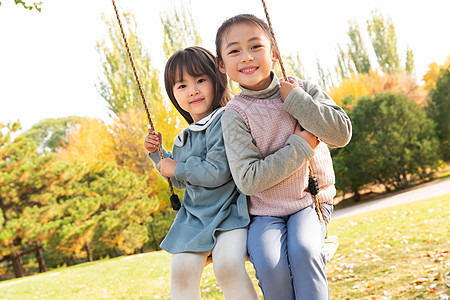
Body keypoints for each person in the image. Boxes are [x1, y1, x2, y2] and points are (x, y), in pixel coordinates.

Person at [215, 14, 352, 300]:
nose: (246, 57)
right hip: (265, 212)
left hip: (309, 202)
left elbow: (341, 134)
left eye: (255, 46)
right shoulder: (235, 115)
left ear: (274, 53)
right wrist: (301, 145)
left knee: (305, 249)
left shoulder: (302, 90)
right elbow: (249, 179)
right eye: (234, 51)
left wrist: (298, 101)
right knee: (268, 261)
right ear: (222, 65)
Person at [144, 46, 258, 300]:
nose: (192, 90)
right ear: (174, 95)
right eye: (181, 86)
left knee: (227, 265)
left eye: (200, 80)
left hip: (229, 214)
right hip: (194, 218)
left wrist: (178, 167)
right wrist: (158, 154)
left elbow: (218, 171)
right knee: (181, 271)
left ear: (217, 80)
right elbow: (182, 181)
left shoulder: (226, 120)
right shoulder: (184, 137)